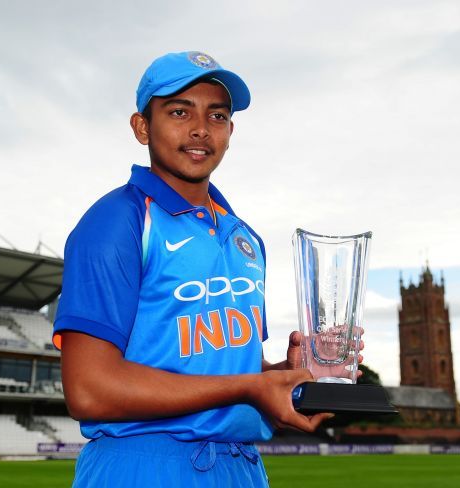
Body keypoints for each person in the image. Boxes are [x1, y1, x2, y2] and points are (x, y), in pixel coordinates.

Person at [52, 51, 335, 487]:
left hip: (242, 468)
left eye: (217, 115)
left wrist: (284, 373)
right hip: (143, 466)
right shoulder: (116, 222)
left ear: (230, 131)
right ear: (141, 126)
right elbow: (90, 390)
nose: (201, 129)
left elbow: (223, 364)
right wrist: (247, 388)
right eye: (180, 111)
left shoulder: (244, 237)